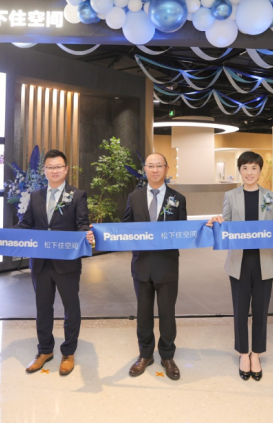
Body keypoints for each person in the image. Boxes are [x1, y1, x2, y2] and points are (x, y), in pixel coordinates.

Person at [88, 153, 187, 380]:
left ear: (166, 168)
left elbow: (184, 231)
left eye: (159, 165)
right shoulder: (134, 197)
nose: (155, 170)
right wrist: (99, 234)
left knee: (167, 314)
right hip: (141, 265)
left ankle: (167, 356)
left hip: (167, 265)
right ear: (144, 169)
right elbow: (125, 229)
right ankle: (145, 354)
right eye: (150, 166)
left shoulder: (178, 198)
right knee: (143, 314)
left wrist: (207, 226)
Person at [206, 151, 273, 382]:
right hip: (238, 262)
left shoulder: (269, 196)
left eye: (254, 168)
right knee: (240, 310)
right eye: (245, 168)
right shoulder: (231, 195)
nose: (249, 172)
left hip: (263, 261)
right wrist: (217, 221)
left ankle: (255, 354)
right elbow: (226, 224)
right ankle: (242, 354)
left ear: (260, 171)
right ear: (239, 170)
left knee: (260, 310)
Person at [15, 150, 90, 376]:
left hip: (67, 262)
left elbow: (82, 224)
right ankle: (44, 350)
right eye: (50, 167)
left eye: (58, 166)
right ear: (44, 170)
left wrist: (87, 234)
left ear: (66, 169)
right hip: (40, 263)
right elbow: (26, 223)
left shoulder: (77, 195)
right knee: (42, 308)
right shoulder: (35, 195)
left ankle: (68, 352)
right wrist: (2, 235)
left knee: (71, 308)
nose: (54, 170)